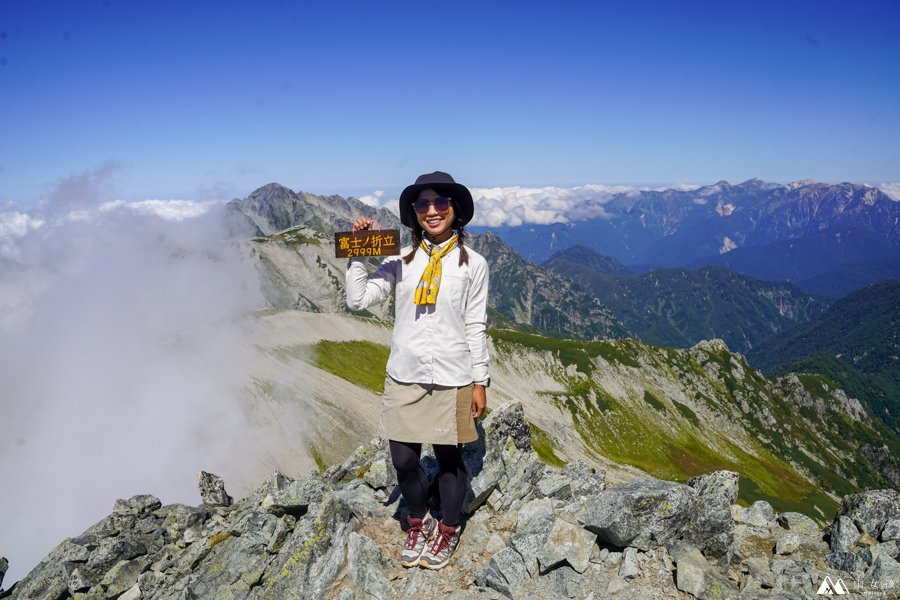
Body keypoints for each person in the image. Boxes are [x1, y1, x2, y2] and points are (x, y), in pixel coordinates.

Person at [346, 171, 490, 570]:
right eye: (423, 204)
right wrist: (359, 250)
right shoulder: (401, 260)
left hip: (453, 375)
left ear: (455, 209)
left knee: (448, 459)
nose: (432, 210)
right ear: (413, 213)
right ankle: (417, 519)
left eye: (440, 202)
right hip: (405, 373)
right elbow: (358, 299)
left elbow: (475, 325)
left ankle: (448, 526)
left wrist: (481, 380)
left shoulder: (473, 264)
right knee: (404, 460)